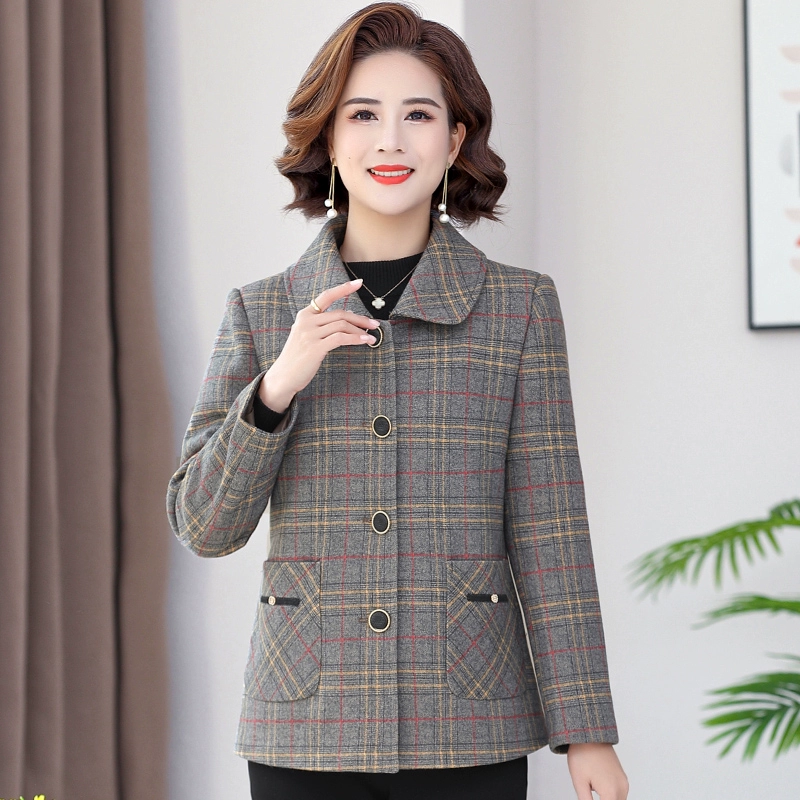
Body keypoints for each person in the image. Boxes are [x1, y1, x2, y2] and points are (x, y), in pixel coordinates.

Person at [166, 3, 629, 799]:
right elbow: (204, 527)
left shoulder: (518, 308)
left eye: (418, 115)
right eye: (362, 115)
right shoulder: (262, 312)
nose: (390, 140)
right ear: (328, 139)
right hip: (303, 728)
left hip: (470, 722)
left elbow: (550, 530)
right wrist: (278, 385)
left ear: (454, 140)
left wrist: (587, 733)